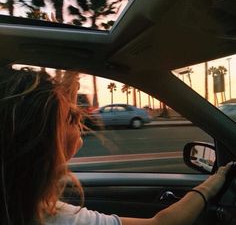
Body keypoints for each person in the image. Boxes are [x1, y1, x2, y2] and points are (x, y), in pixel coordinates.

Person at [0, 66, 231, 225]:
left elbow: (49, 121)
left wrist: (70, 81)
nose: (79, 117)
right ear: (44, 145)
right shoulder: (53, 217)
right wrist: (212, 184)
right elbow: (163, 223)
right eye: (69, 118)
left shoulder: (23, 206)